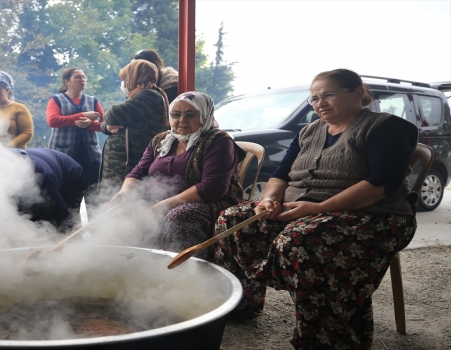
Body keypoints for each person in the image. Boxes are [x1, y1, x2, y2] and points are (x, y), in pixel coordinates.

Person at [213, 69, 419, 349]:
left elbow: (380, 185)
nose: (320, 103)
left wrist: (318, 208)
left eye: (328, 95)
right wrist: (268, 200)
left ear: (358, 93)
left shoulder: (385, 127)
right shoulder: (308, 131)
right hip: (305, 209)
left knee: (302, 240)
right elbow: (280, 174)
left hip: (373, 214)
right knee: (232, 219)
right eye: (314, 98)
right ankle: (243, 303)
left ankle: (325, 337)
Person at [110, 92, 245, 257]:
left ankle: (178, 273)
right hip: (159, 200)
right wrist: (125, 192)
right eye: (176, 114)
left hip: (205, 203)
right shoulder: (161, 140)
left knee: (179, 216)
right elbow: (138, 171)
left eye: (190, 114)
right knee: (121, 210)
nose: (182, 120)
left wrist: (163, 206)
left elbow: (212, 187)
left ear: (204, 115)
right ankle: (129, 265)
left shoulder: (218, 141)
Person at [100, 59, 169, 188]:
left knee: (123, 204)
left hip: (129, 166)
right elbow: (107, 124)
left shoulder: (148, 95)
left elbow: (114, 114)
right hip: (122, 167)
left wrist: (108, 122)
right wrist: (107, 128)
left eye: (126, 78)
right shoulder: (140, 95)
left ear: (135, 78)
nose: (124, 83)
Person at [47, 67, 104, 214]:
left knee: (93, 199)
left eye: (84, 77)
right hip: (63, 158)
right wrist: (82, 115)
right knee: (67, 199)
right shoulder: (56, 99)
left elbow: (104, 125)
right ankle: (69, 233)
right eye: (77, 77)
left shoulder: (93, 101)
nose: (82, 80)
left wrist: (89, 124)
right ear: (67, 81)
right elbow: (53, 121)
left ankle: (96, 233)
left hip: (90, 158)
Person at [12, 148, 86, 230]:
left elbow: (60, 212)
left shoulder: (38, 176)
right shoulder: (0, 176)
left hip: (70, 174)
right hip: (46, 166)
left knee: (69, 221)